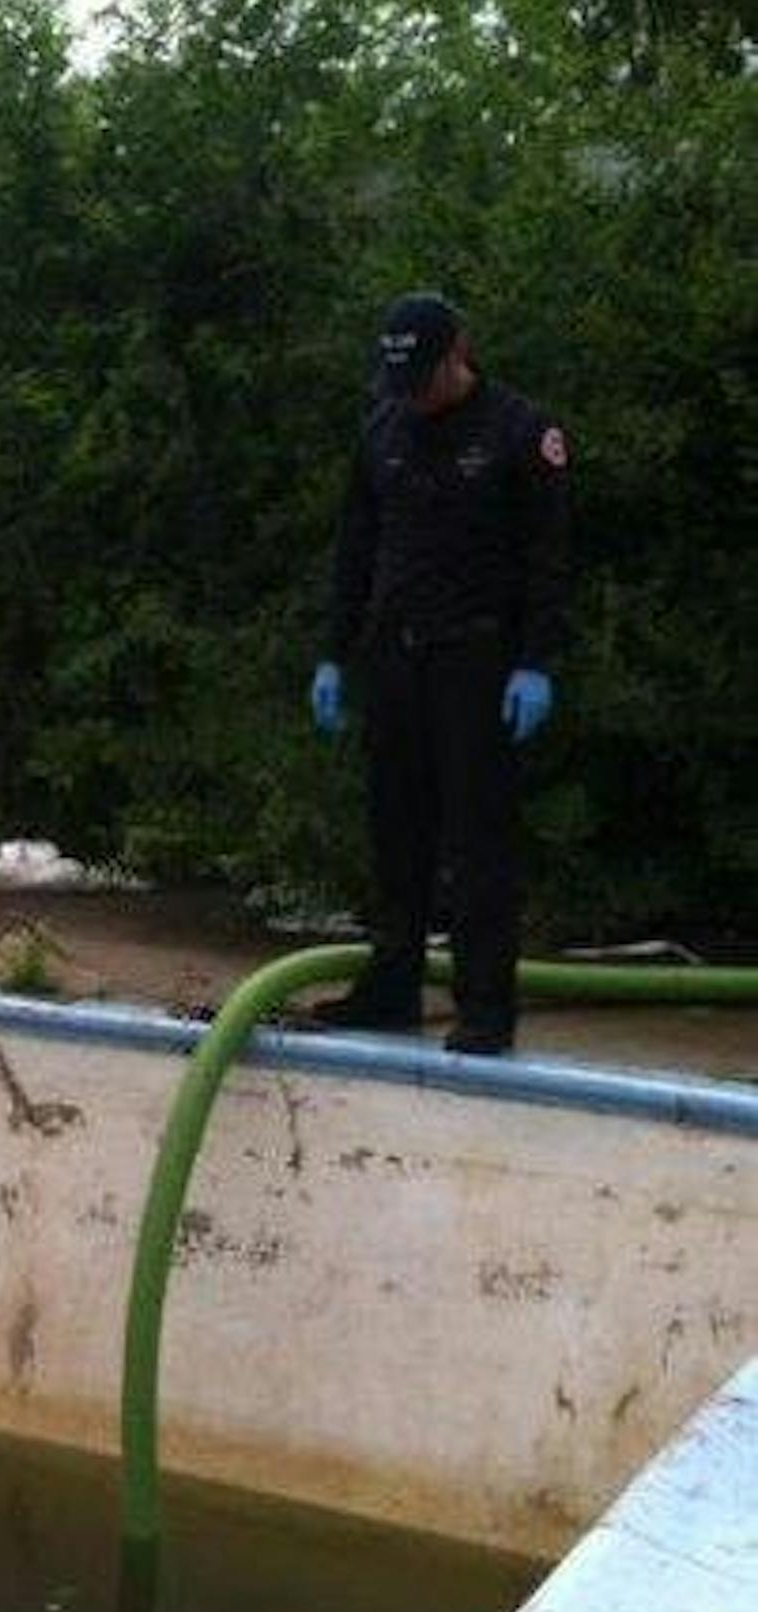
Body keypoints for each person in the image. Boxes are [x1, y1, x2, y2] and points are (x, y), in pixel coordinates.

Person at [307, 291, 572, 1055]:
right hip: (396, 652)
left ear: (460, 352)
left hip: (478, 659)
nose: (414, 395)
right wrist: (334, 652)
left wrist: (535, 663)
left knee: (476, 839)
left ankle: (486, 1006)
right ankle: (392, 985)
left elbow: (549, 561)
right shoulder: (384, 430)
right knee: (396, 829)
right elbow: (355, 550)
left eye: (425, 377)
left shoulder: (522, 432)